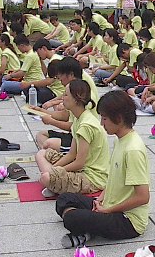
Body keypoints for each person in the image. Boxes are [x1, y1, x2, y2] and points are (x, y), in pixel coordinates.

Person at [55, 90, 149, 248]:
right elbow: (113, 179)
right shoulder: (120, 140)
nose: (101, 124)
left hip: (127, 220)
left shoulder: (132, 150)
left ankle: (87, 230)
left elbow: (143, 197)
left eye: (104, 119)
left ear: (118, 119)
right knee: (64, 199)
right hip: (109, 204)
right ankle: (90, 228)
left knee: (71, 218)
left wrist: (108, 210)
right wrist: (100, 200)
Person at [36, 80, 109, 197]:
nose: (63, 98)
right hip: (80, 169)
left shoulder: (86, 125)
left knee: (46, 177)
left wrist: (54, 173)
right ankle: (55, 183)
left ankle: (54, 184)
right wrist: (55, 170)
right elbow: (71, 155)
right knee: (41, 154)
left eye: (65, 95)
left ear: (76, 99)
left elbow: (79, 163)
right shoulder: (78, 119)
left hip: (91, 177)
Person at [0, 34, 47, 102]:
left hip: (29, 83)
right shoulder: (34, 53)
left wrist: (10, 75)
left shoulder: (29, 56)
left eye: (18, 48)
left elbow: (22, 73)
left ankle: (2, 94)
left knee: (4, 83)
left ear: (22, 46)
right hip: (36, 80)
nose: (19, 50)